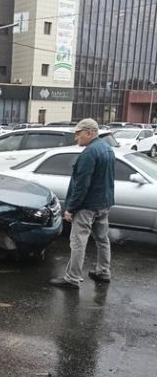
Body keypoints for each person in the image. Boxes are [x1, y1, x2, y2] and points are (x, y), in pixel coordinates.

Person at [50, 118, 115, 289]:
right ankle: (103, 272)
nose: (76, 138)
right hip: (104, 203)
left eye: (78, 134)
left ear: (89, 133)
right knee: (102, 239)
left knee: (78, 242)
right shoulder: (107, 149)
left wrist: (70, 208)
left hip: (87, 206)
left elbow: (81, 185)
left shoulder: (89, 153)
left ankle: (72, 278)